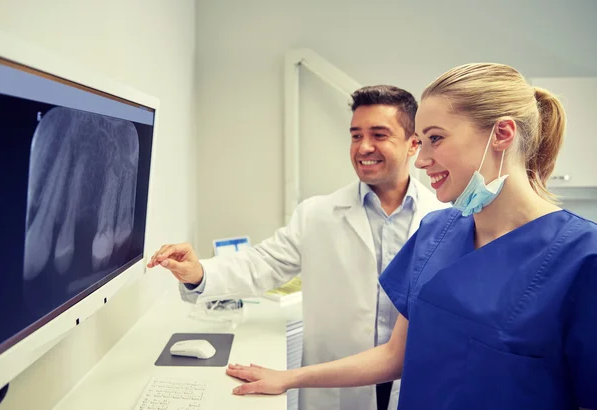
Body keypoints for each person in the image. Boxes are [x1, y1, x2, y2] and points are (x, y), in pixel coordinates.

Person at [223, 63, 597, 410]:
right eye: (421, 139)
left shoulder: (582, 258)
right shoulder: (436, 232)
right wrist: (289, 378)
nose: (420, 159)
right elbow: (394, 355)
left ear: (501, 134)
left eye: (435, 138)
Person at [147, 85, 446, 410]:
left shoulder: (445, 220)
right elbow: (262, 263)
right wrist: (199, 272)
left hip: (414, 384)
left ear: (413, 143)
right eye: (356, 135)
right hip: (336, 390)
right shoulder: (317, 215)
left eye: (379, 134)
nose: (364, 147)